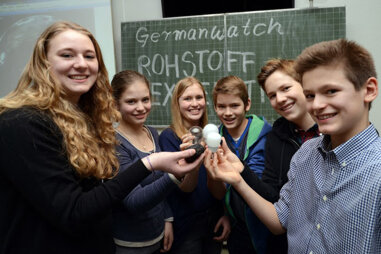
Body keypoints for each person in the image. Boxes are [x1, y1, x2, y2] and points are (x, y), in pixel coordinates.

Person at [0, 21, 203, 254]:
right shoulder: (22, 123)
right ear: (43, 62)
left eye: (89, 56)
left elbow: (98, 197)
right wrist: (150, 164)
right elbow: (75, 211)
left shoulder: (87, 121)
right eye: (67, 55)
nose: (81, 64)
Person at [205, 39, 380, 253]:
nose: (316, 105)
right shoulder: (305, 153)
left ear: (369, 90)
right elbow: (279, 221)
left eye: (331, 91)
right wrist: (238, 180)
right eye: (310, 95)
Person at [111, 70, 184, 253]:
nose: (141, 107)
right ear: (115, 104)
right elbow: (133, 202)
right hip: (131, 243)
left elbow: (157, 182)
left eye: (145, 99)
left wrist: (167, 219)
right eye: (131, 101)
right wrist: (175, 176)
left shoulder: (151, 132)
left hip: (157, 234)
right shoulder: (114, 144)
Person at [159, 76, 230, 254]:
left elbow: (219, 190)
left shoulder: (214, 135)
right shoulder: (169, 138)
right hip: (186, 223)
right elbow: (186, 189)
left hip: (213, 219)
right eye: (187, 98)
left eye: (199, 97)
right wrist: (193, 158)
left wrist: (225, 213)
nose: (195, 103)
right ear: (177, 103)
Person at [255, 59, 319, 253]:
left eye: (286, 88)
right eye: (272, 95)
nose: (280, 99)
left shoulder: (334, 132)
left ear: (304, 84)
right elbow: (272, 196)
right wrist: (239, 172)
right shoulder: (276, 136)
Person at [212, 75, 272, 254]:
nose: (228, 112)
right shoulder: (216, 138)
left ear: (247, 104)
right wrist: (226, 213)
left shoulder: (267, 135)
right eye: (221, 106)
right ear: (215, 107)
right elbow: (220, 191)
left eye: (234, 105)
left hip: (267, 225)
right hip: (237, 227)